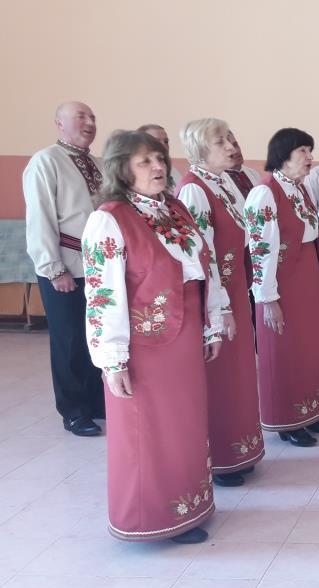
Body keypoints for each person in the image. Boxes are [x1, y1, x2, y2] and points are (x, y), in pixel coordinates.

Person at [82, 130, 230, 543]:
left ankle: (187, 506)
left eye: (160, 158)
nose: (158, 167)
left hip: (184, 337)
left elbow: (205, 267)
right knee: (149, 430)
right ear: (122, 169)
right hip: (144, 347)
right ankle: (152, 518)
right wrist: (112, 360)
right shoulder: (110, 218)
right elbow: (102, 293)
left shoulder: (175, 208)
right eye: (144, 161)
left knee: (184, 423)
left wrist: (213, 321)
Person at [176, 118, 264, 486]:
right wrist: (220, 307)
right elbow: (203, 256)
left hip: (236, 290)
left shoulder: (224, 181)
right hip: (218, 298)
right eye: (220, 142)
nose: (231, 146)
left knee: (239, 373)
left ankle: (240, 448)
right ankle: (221, 457)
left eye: (230, 139)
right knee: (222, 376)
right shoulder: (193, 190)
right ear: (199, 150)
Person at [244, 128, 319, 446]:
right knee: (285, 349)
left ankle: (310, 410)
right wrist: (268, 299)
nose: (310, 157)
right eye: (303, 151)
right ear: (283, 155)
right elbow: (260, 250)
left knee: (308, 347)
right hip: (281, 284)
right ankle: (286, 419)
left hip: (304, 279)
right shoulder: (265, 192)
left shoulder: (299, 188)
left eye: (310, 150)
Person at [22, 101, 105, 436]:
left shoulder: (99, 164)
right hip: (65, 266)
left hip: (99, 267)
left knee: (95, 336)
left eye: (92, 117)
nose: (90, 122)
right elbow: (39, 217)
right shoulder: (46, 161)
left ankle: (96, 401)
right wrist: (54, 269)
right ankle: (73, 410)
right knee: (69, 339)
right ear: (59, 123)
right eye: (81, 116)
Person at [138, 124, 183, 190]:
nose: (163, 145)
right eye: (156, 141)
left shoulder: (174, 171)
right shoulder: (138, 173)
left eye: (166, 141)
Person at [224, 130, 263, 199]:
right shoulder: (219, 182)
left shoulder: (254, 174)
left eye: (235, 145)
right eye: (228, 149)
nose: (236, 151)